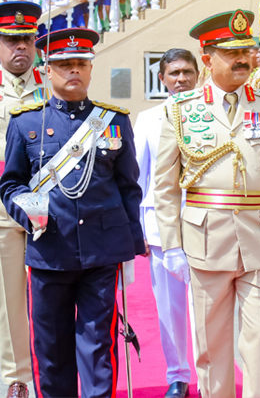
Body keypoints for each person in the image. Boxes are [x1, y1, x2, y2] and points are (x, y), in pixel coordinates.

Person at [153, 10, 260, 398]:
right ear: (207, 57)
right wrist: (171, 245)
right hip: (206, 241)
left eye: (246, 50)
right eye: (230, 52)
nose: (243, 59)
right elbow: (165, 186)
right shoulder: (181, 109)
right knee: (212, 346)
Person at [0, 27, 144, 398]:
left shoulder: (113, 121)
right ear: (48, 70)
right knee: (51, 349)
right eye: (64, 64)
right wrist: (28, 209)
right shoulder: (25, 121)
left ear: (91, 70)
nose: (73, 71)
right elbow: (11, 183)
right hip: (50, 249)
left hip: (102, 250)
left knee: (98, 344)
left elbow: (129, 186)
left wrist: (133, 242)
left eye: (81, 63)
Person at [134, 48, 199, 398]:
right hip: (160, 227)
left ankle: (209, 370)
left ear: (197, 74)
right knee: (170, 309)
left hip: (208, 225)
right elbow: (136, 177)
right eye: (173, 73)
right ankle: (178, 375)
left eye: (187, 71)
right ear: (162, 79)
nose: (181, 79)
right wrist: (137, 228)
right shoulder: (148, 119)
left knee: (210, 305)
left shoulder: (213, 115)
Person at [0, 2, 45, 398]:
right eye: (11, 40)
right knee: (10, 298)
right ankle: (19, 377)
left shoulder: (54, 83)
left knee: (55, 293)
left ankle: (54, 369)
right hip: (2, 212)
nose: (20, 48)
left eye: (27, 40)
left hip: (51, 207)